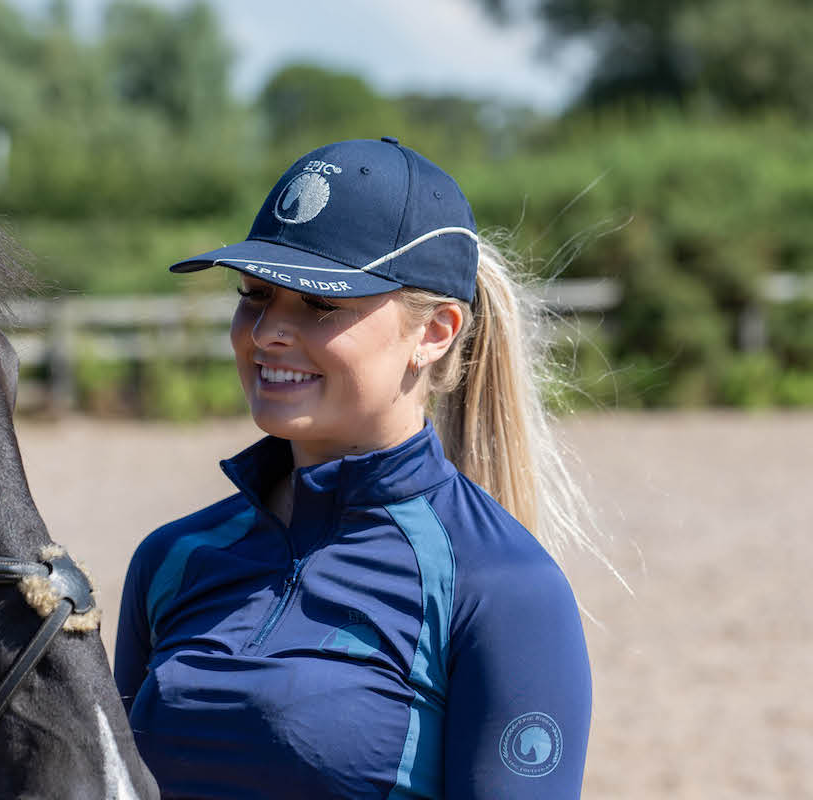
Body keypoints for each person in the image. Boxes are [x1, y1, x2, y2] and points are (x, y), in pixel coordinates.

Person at [114, 137, 593, 799]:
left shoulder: (504, 589)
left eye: (319, 304)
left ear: (435, 331)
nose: (265, 333)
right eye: (254, 295)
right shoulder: (171, 559)